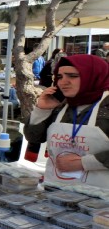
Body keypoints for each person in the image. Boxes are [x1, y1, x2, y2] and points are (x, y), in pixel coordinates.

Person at [24, 54, 109, 188]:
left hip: (99, 198)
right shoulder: (61, 105)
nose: (63, 82)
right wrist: (42, 110)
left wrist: (84, 163)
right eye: (59, 76)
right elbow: (34, 137)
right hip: (56, 189)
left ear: (93, 76)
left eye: (73, 76)